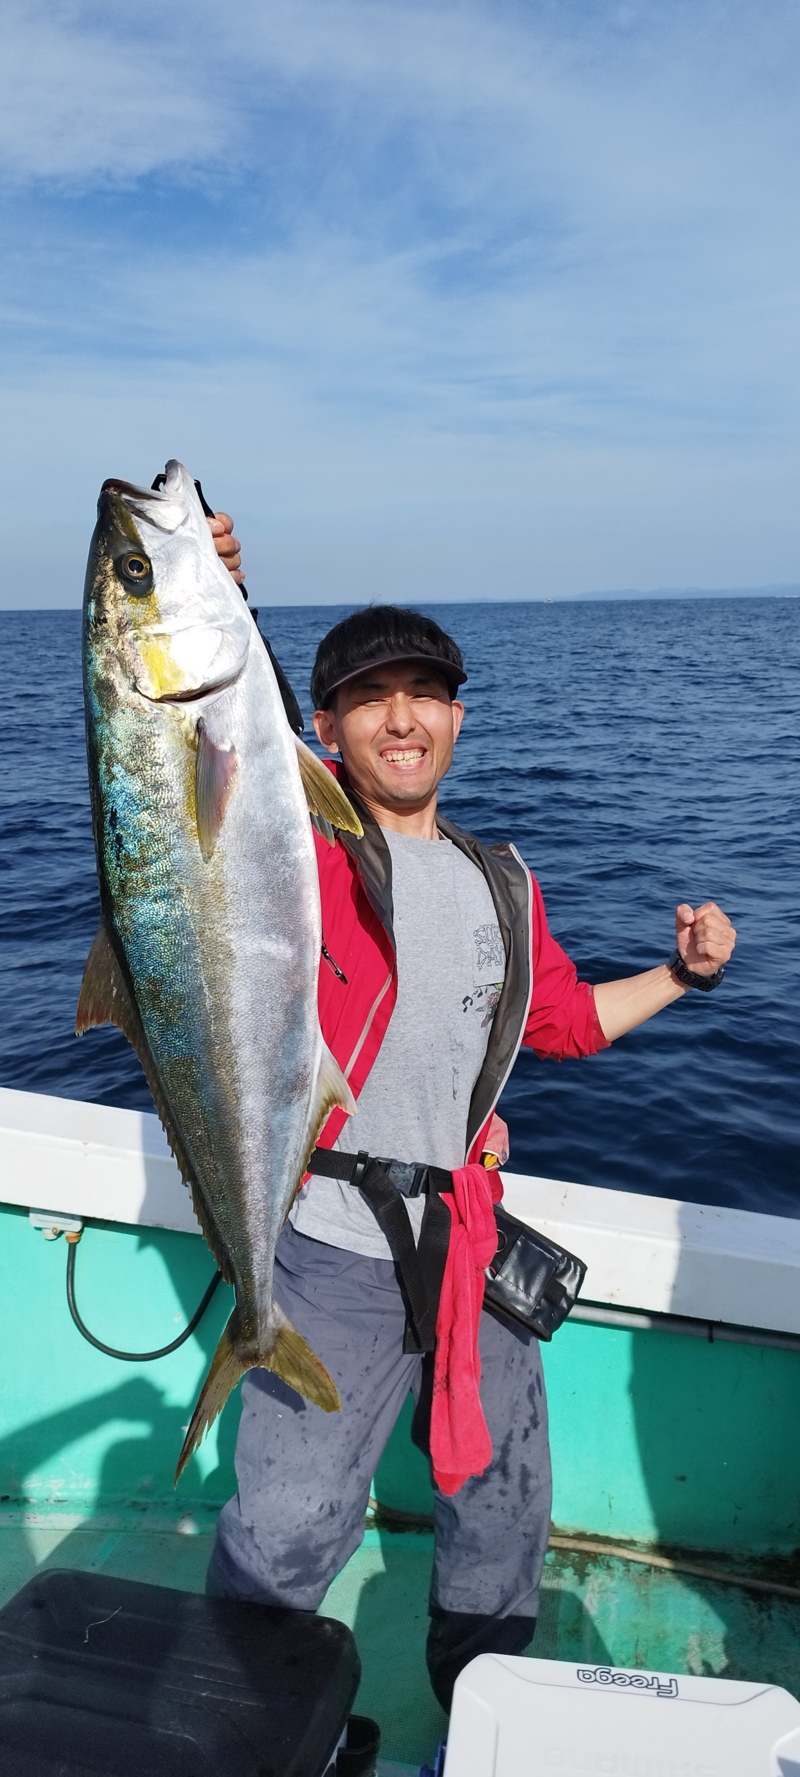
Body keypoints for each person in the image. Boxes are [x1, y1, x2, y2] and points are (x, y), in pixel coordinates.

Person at [204, 514, 736, 1709]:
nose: (401, 718)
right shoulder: (302, 853)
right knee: (285, 1530)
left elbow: (561, 1022)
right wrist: (223, 596)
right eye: (368, 698)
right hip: (326, 1251)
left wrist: (682, 976)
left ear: (456, 717)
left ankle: (480, 1721)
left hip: (472, 1249)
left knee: (501, 1522)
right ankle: (242, 1724)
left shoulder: (503, 878)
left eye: (424, 695)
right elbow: (230, 739)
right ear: (324, 727)